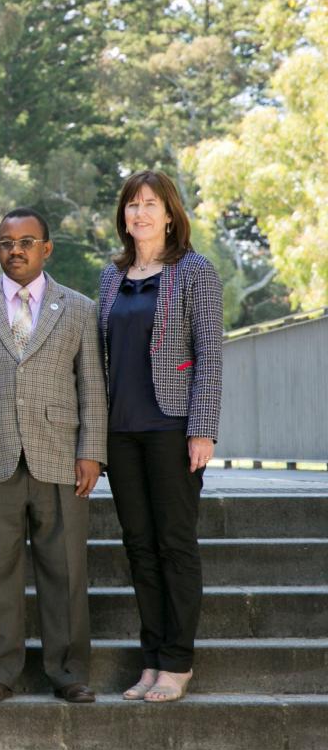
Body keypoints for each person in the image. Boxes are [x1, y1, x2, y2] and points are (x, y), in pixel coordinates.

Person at [0, 208, 107, 704]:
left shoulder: (78, 307)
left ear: (46, 249)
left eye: (27, 241)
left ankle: (69, 671)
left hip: (60, 454)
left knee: (66, 569)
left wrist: (92, 452)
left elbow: (92, 386)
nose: (16, 250)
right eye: (6, 242)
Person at [98, 170, 223, 703]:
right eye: (132, 205)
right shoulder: (111, 275)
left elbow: (210, 357)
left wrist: (203, 429)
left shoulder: (194, 271)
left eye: (151, 204)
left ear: (170, 213)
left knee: (175, 545)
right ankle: (151, 659)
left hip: (172, 429)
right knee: (139, 547)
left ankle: (178, 661)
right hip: (121, 431)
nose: (140, 213)